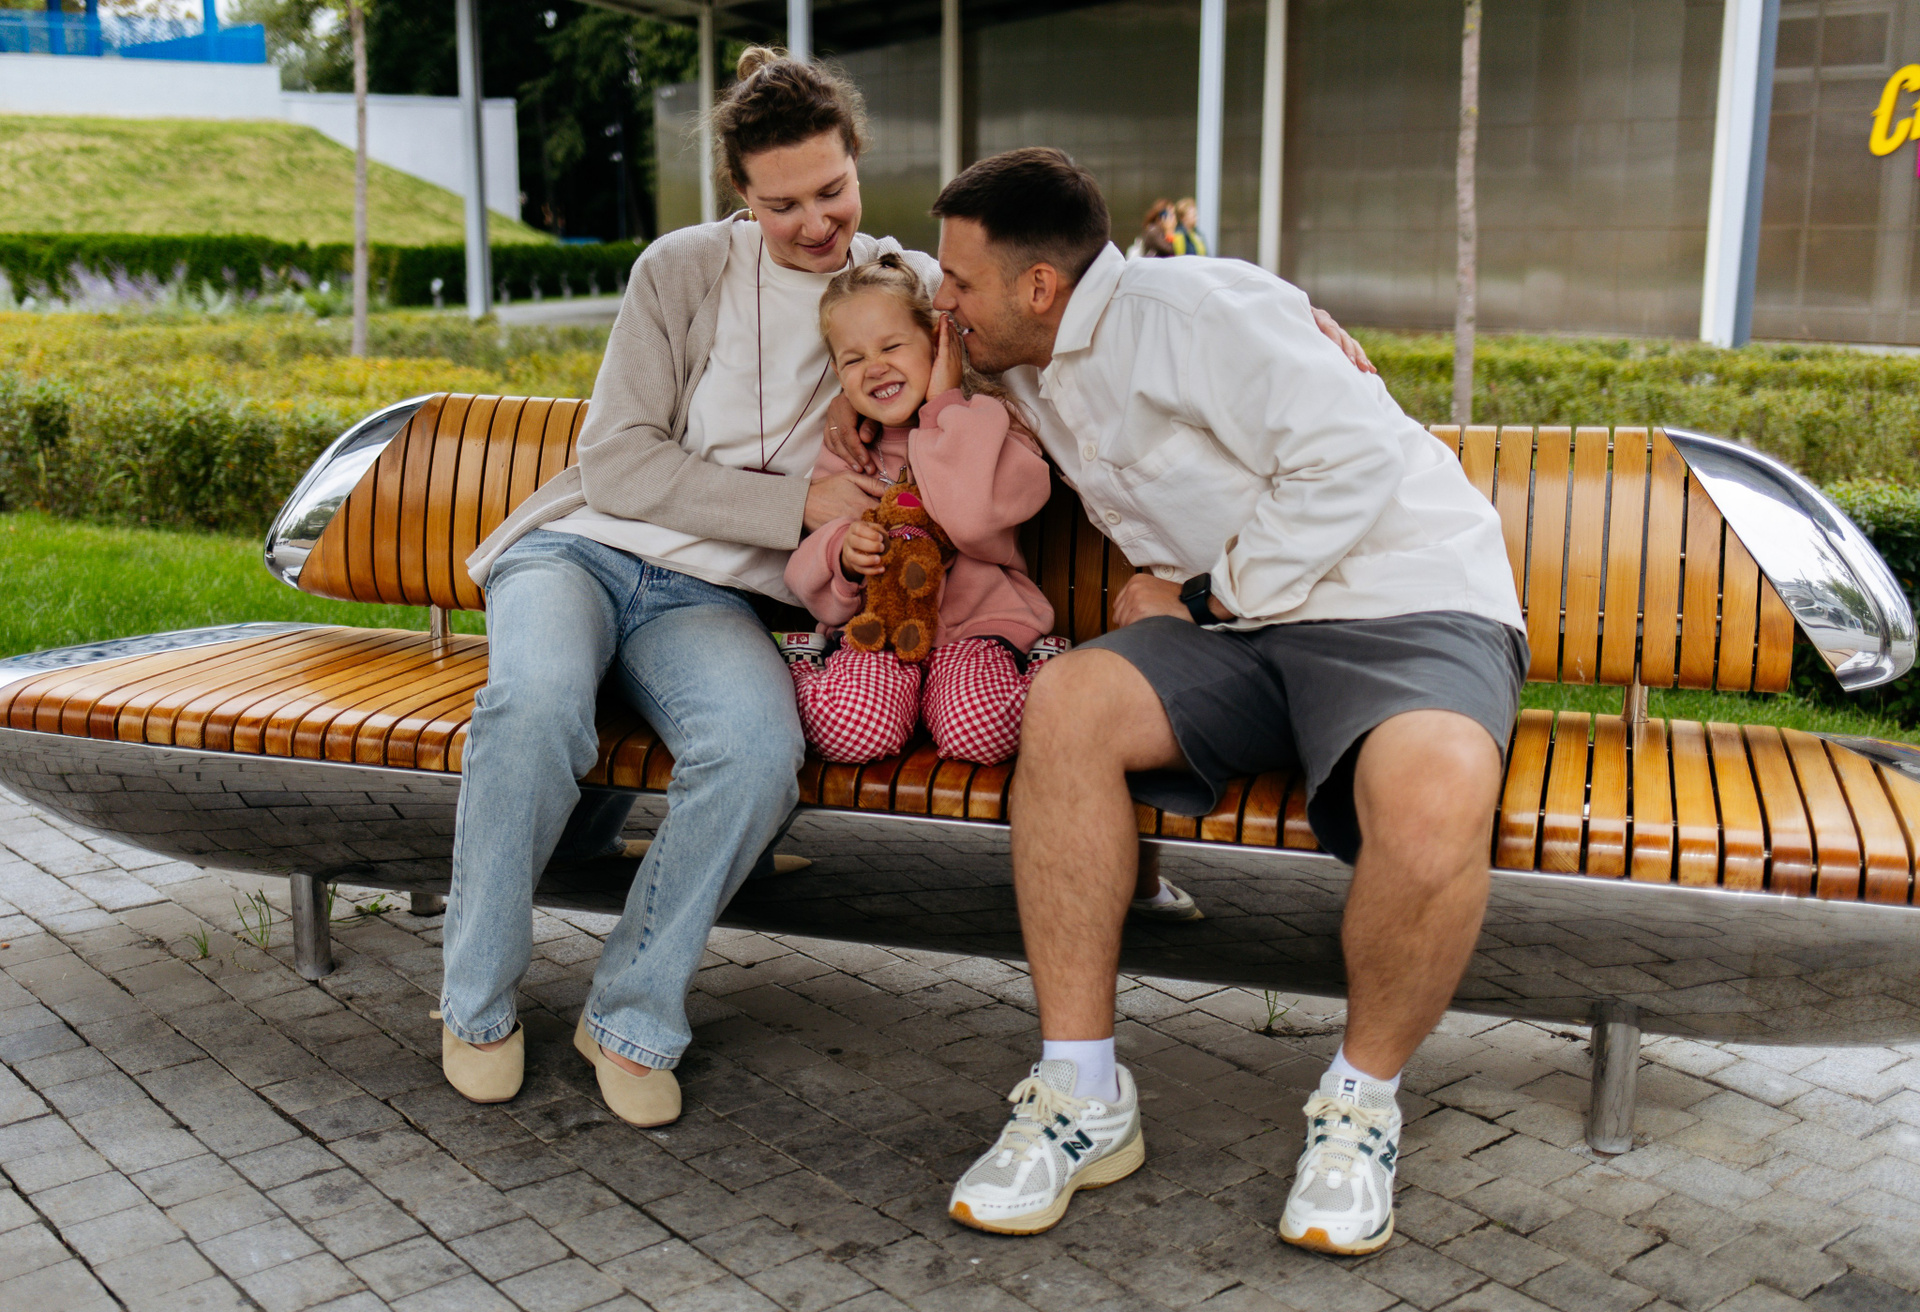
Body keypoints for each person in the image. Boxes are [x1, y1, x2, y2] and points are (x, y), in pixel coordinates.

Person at [872, 147, 1526, 1250]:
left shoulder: (1203, 313)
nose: (945, 303)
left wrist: (1201, 594)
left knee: (1439, 790)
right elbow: (866, 267)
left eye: (962, 284)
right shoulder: (1013, 344)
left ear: (1041, 285)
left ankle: (1360, 1105)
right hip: (1239, 632)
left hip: (1400, 599)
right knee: (1068, 704)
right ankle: (1083, 1095)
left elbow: (1350, 462)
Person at [434, 46, 939, 1127]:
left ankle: (629, 1015)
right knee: (532, 709)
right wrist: (797, 505)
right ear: (740, 195)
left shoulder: (905, 287)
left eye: (833, 190)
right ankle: (474, 1004)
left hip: (709, 600)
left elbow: (1026, 358)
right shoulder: (682, 268)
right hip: (580, 552)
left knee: (755, 753)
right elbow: (618, 462)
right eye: (782, 205)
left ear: (858, 159)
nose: (816, 223)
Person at [781, 254, 1062, 766]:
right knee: (850, 733)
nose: (875, 367)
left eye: (891, 347)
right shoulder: (850, 453)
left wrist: (943, 406)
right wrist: (842, 555)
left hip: (976, 632)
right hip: (878, 635)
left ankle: (1044, 670)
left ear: (936, 344)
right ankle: (806, 667)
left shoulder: (988, 423)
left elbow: (973, 520)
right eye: (853, 359)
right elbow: (803, 574)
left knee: (980, 732)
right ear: (838, 374)